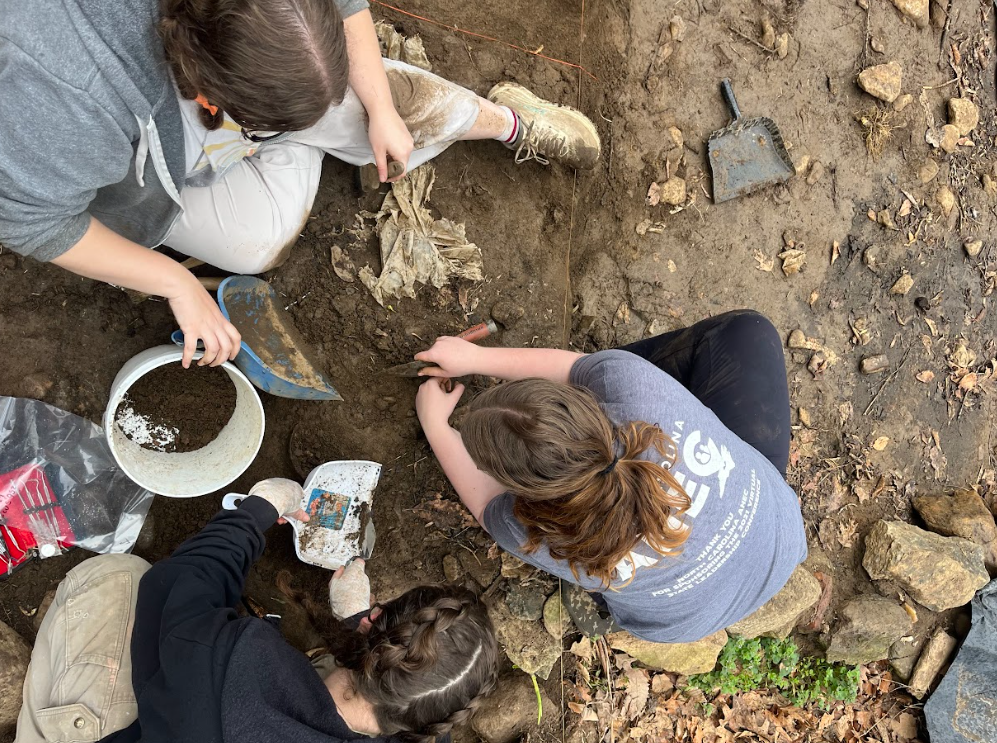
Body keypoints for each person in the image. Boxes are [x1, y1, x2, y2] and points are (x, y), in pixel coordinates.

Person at [0, 0, 600, 369]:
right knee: (257, 248)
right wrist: (173, 281)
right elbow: (35, 221)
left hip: (218, 103)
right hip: (139, 156)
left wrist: (376, 101)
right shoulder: (56, 100)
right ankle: (303, 133)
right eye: (261, 122)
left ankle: (509, 121)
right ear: (208, 92)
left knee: (382, 106)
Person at [414, 310, 808, 644]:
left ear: (525, 493)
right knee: (747, 332)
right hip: (774, 532)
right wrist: (475, 357)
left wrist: (434, 423)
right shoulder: (637, 395)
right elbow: (572, 367)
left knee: (604, 580)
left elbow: (484, 503)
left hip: (684, 619)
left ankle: (607, 601)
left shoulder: (532, 530)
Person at [15, 478, 498, 743]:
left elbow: (179, 586)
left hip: (177, 712)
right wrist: (354, 623)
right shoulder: (417, 728)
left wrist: (256, 510)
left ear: (380, 626)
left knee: (121, 576)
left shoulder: (234, 666)